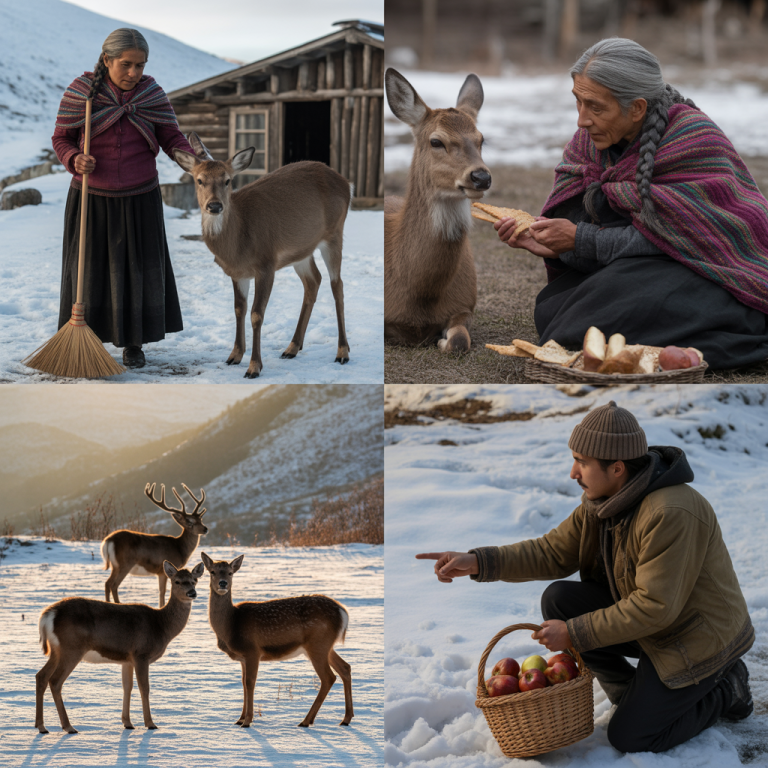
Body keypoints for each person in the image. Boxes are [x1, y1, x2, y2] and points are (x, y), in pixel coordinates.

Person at [417, 401, 754, 754]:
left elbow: (655, 606)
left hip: (698, 638)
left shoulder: (671, 513)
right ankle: (631, 696)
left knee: (631, 736)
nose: (573, 473)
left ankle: (729, 687)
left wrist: (574, 632)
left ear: (618, 468)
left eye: (582, 462)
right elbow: (551, 551)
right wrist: (477, 562)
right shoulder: (606, 500)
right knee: (558, 600)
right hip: (659, 628)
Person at [494, 38, 768, 370]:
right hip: (635, 267)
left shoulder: (694, 139)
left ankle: (732, 341)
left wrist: (580, 240)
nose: (582, 120)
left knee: (580, 325)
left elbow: (690, 240)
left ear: (637, 108)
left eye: (595, 107)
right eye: (578, 103)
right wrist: (551, 242)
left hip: (709, 270)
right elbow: (590, 225)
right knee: (551, 310)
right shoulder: (592, 141)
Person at [52, 28, 193, 368]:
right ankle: (87, 338)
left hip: (140, 197)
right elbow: (61, 137)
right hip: (91, 198)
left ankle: (133, 343)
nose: (134, 73)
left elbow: (171, 136)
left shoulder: (151, 94)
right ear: (107, 60)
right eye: (126, 65)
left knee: (137, 272)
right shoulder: (83, 92)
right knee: (89, 271)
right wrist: (74, 158)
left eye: (140, 66)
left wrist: (193, 160)